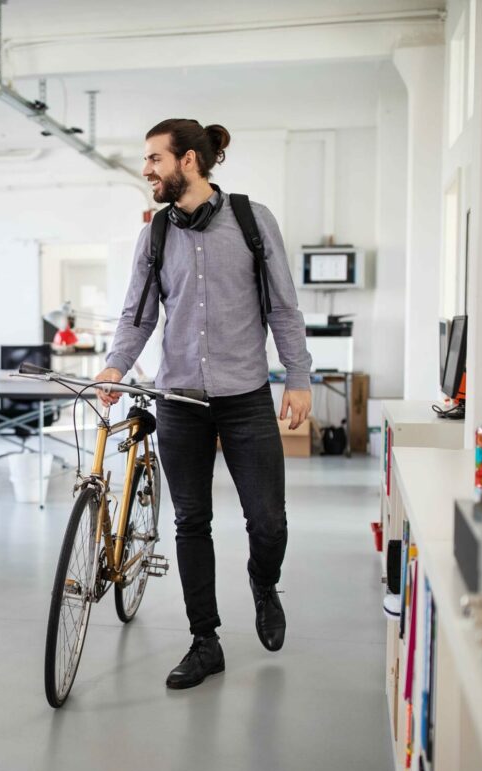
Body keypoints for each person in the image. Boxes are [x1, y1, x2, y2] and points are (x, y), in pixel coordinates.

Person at [95, 119, 312, 690]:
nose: (146, 170)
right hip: (179, 400)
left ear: (188, 161)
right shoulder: (155, 234)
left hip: (245, 398)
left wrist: (298, 376)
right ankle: (204, 640)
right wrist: (116, 364)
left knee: (268, 522)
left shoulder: (251, 220)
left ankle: (263, 584)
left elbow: (283, 308)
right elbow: (137, 314)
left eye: (153, 159)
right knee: (192, 522)